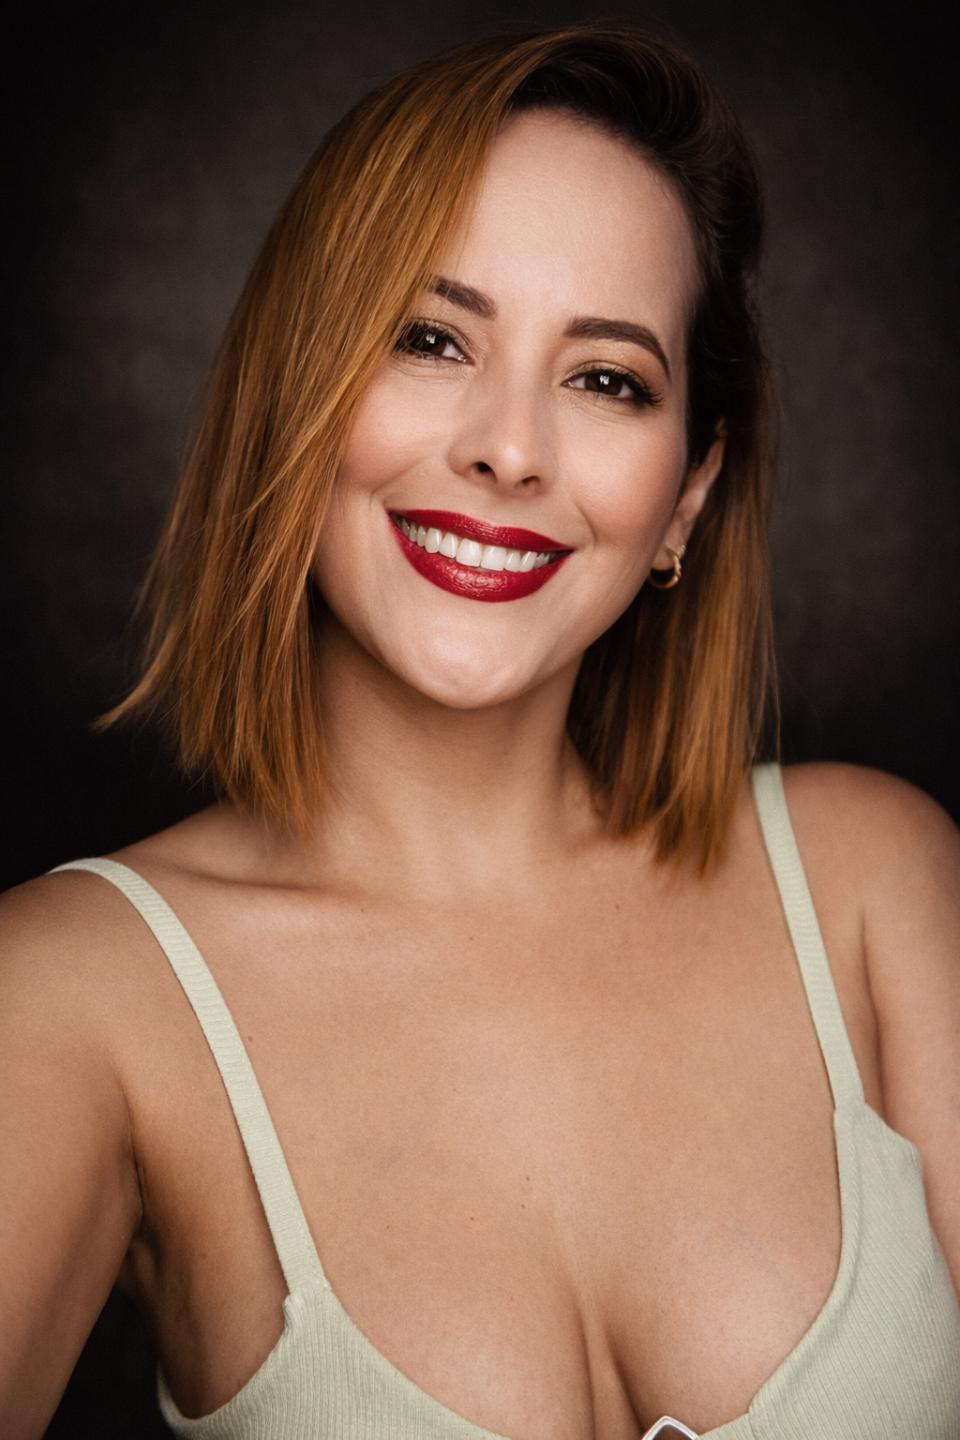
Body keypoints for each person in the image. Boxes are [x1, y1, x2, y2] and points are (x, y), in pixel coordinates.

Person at [1, 21, 958, 1440]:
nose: (509, 449)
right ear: (298, 386)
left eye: (607, 378)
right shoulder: (75, 995)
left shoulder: (874, 882)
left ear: (688, 496)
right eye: (430, 339)